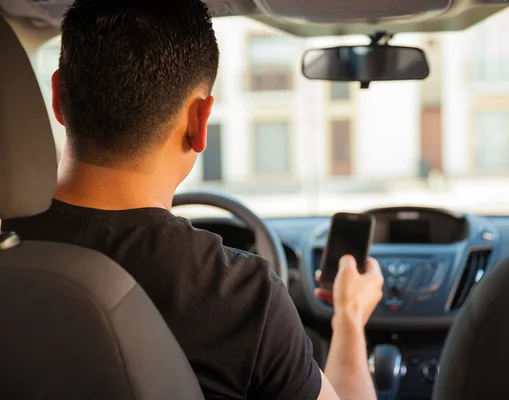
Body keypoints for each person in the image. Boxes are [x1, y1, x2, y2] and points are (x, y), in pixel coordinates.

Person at [3, 1, 384, 399]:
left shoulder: (6, 253)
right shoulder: (243, 296)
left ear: (59, 96)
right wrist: (350, 318)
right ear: (200, 122)